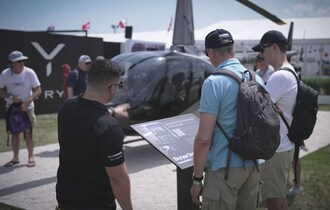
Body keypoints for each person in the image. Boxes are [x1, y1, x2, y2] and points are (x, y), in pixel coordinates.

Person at [191, 29, 264, 210]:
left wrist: (197, 179)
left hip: (224, 170)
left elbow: (203, 139)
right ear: (233, 50)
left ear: (212, 52)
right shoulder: (257, 78)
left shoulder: (214, 82)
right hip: (253, 166)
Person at [56, 58, 133, 210]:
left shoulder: (66, 107)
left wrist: (113, 112)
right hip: (96, 204)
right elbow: (118, 178)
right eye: (119, 85)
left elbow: (89, 114)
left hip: (65, 198)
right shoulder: (110, 128)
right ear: (111, 88)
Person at [253, 30, 297, 210]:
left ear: (274, 47)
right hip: (284, 145)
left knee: (273, 200)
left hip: (276, 150)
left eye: (263, 49)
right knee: (278, 197)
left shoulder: (279, 76)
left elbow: (256, 107)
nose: (261, 54)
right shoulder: (290, 71)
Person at [0, 50, 42, 167]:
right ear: (12, 63)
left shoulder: (30, 72)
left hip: (27, 107)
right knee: (14, 133)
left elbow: (38, 90)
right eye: (19, 61)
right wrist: (11, 96)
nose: (22, 62)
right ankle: (15, 157)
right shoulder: (5, 74)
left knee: (29, 133)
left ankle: (31, 157)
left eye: (23, 60)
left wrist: (28, 102)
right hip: (12, 108)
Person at [66, 55, 130, 119]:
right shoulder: (75, 73)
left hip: (86, 102)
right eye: (87, 63)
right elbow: (70, 88)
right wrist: (72, 102)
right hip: (78, 102)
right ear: (80, 63)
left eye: (90, 63)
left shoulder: (87, 73)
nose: (88, 65)